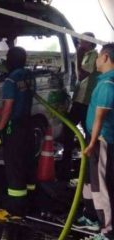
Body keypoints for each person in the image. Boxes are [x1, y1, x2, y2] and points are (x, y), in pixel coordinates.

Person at [75, 43, 114, 240]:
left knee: (101, 187)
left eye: (98, 56)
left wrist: (91, 144)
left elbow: (100, 117)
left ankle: (107, 231)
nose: (96, 60)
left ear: (106, 58)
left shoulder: (108, 86)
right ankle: (91, 216)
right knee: (91, 182)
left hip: (102, 140)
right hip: (96, 139)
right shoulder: (104, 80)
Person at [0, 47, 36, 220]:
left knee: (14, 166)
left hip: (14, 127)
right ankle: (30, 200)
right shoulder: (28, 75)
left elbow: (8, 106)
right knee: (27, 163)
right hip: (28, 124)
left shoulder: (10, 80)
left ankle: (15, 210)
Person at [58, 32, 99, 183]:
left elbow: (82, 75)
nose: (80, 45)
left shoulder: (92, 56)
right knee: (74, 128)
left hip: (85, 101)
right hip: (80, 99)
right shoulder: (87, 55)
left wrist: (78, 55)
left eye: (83, 42)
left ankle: (73, 164)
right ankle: (75, 162)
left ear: (90, 44)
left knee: (71, 127)